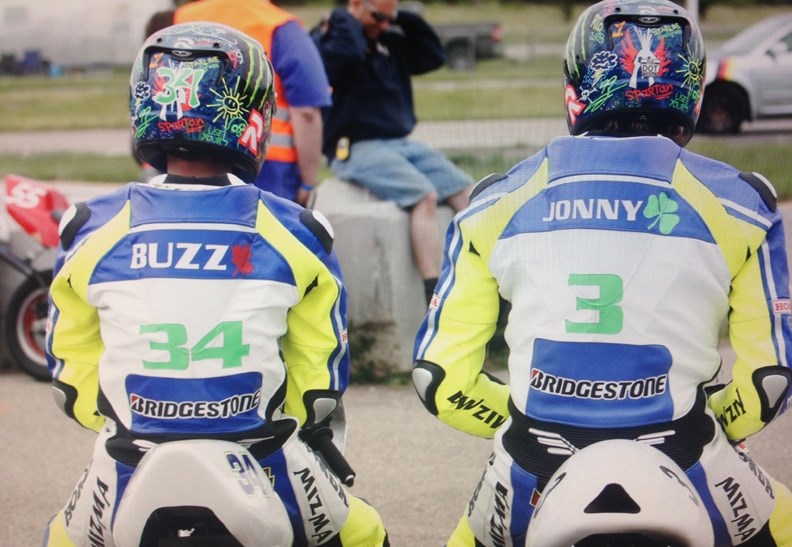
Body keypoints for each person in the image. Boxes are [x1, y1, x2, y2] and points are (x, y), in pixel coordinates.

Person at [411, 1, 792, 545]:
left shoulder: (489, 205)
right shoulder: (745, 204)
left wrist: (522, 416)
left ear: (575, 88)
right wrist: (712, 420)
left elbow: (440, 380)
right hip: (689, 459)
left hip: (530, 468)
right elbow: (768, 382)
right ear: (692, 90)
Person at [44, 22, 387, 546]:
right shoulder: (299, 231)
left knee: (56, 537)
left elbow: (70, 379)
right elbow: (318, 385)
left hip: (127, 461)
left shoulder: (88, 227)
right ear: (253, 115)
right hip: (264, 459)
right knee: (367, 531)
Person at [310, 0, 473, 305]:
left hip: (400, 142)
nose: (383, 26)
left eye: (389, 18)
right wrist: (345, 20)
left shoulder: (389, 41)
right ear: (355, 4)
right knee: (423, 195)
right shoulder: (329, 39)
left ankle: (487, 275)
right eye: (377, 17)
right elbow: (348, 56)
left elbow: (433, 56)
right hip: (356, 146)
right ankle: (433, 292)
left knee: (465, 191)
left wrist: (400, 17)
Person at [145, 0, 332, 206]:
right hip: (269, 172)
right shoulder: (281, 27)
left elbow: (149, 89)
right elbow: (306, 112)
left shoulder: (178, 21)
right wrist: (308, 183)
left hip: (181, 161)